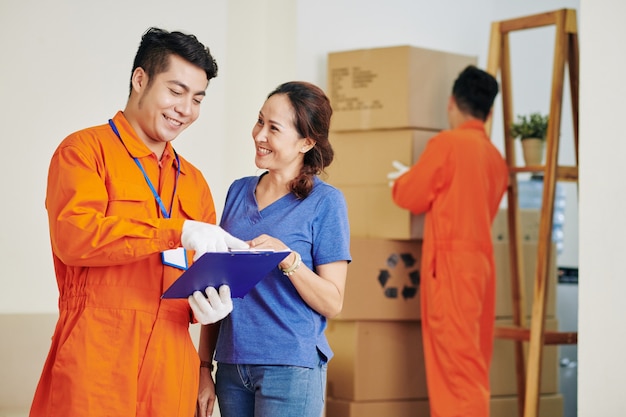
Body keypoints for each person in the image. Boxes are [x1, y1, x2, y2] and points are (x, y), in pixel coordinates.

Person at [30, 27, 248, 417]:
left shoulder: (193, 181)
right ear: (140, 79)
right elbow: (75, 237)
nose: (186, 109)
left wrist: (208, 307)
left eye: (197, 99)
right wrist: (175, 231)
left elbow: (201, 277)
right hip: (97, 351)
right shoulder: (84, 152)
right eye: (176, 91)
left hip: (171, 359)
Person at [195, 81, 351, 417]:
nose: (259, 135)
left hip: (290, 367)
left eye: (274, 128)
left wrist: (289, 260)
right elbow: (217, 282)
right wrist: (203, 366)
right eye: (259, 121)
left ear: (306, 142)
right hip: (232, 365)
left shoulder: (326, 203)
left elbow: (332, 301)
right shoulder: (238, 192)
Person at [388, 65, 508, 417]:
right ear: (488, 111)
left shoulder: (448, 144)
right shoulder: (496, 158)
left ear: (452, 102)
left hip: (452, 270)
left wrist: (402, 180)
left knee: (456, 370)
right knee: (473, 362)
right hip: (482, 268)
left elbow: (411, 196)